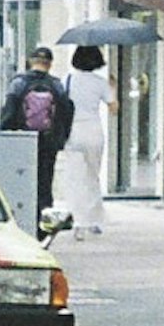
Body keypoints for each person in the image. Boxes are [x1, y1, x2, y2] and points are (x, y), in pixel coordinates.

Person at [0, 46, 71, 215]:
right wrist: (61, 139)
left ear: (31, 62)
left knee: (22, 179)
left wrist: (4, 134)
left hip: (22, 141)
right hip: (48, 142)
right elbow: (67, 112)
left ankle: (24, 215)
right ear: (50, 64)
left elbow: (9, 112)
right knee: (45, 181)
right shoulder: (57, 85)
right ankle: (44, 218)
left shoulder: (19, 83)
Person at [60, 46, 113, 236]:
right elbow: (114, 108)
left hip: (73, 131)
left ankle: (78, 220)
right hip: (94, 131)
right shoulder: (101, 83)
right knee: (92, 176)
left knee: (75, 177)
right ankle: (95, 220)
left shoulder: (66, 80)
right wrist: (112, 87)